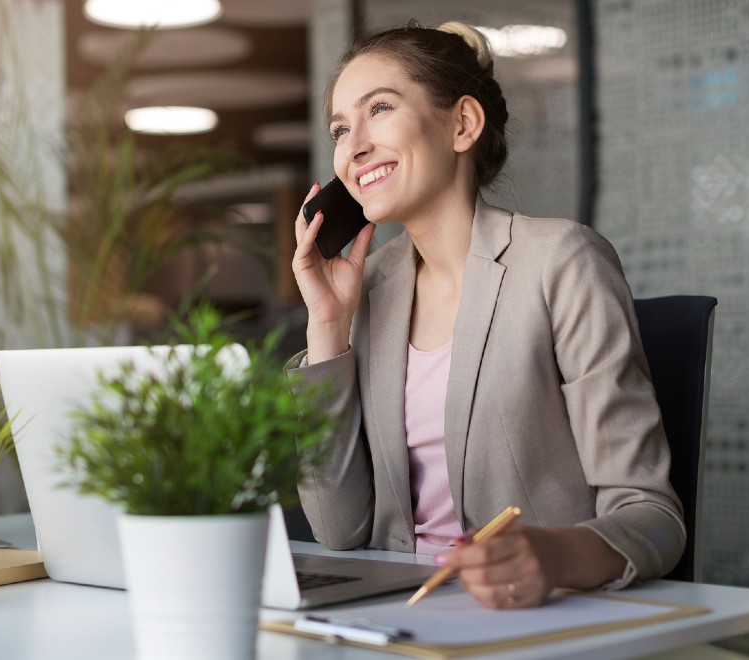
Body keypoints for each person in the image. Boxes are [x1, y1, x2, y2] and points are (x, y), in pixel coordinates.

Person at [286, 20, 685, 609]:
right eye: (341, 128)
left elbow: (654, 517)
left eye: (381, 109)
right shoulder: (369, 290)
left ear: (463, 124)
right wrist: (328, 327)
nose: (353, 146)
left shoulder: (560, 261)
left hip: (535, 618)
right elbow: (336, 529)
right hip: (402, 617)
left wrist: (554, 555)